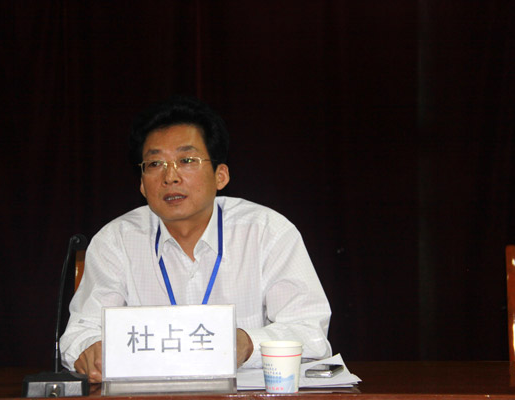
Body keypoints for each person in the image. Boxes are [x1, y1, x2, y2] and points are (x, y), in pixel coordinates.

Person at [60, 96, 332, 383]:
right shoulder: (116, 241)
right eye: (155, 163)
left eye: (187, 160)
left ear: (220, 176)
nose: (170, 177)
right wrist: (90, 348)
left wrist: (247, 343)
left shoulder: (267, 232)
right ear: (142, 184)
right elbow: (80, 331)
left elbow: (310, 332)